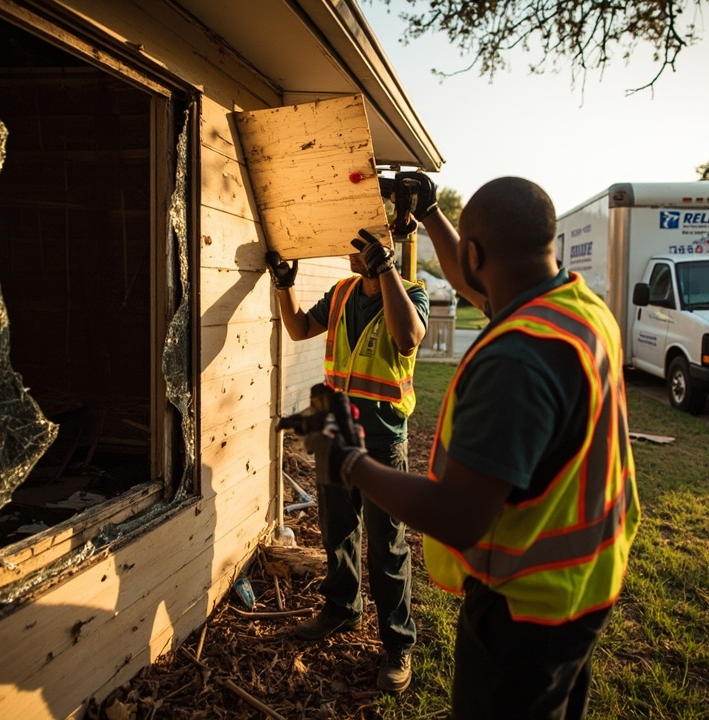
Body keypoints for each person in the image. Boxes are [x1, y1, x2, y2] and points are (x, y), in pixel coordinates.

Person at [298, 175, 640, 719]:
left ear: (476, 251)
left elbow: (458, 516)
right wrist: (432, 212)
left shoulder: (516, 358)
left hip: (524, 609)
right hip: (584, 583)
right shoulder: (577, 307)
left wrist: (348, 461)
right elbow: (476, 283)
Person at [267, 227, 430, 693]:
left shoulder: (411, 293)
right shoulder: (341, 293)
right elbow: (298, 328)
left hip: (381, 438)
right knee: (337, 530)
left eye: (359, 244)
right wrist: (284, 285)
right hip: (333, 429)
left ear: (382, 250)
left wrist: (387, 271)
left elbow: (407, 339)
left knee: (387, 546)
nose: (349, 250)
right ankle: (341, 609)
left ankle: (398, 644)